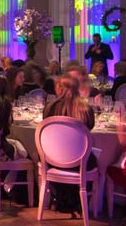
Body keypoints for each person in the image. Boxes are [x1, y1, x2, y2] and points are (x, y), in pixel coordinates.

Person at [43, 76, 95, 215]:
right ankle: (81, 202)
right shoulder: (85, 109)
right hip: (80, 162)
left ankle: (59, 199)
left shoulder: (50, 108)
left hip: (53, 160)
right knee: (97, 158)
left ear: (59, 88)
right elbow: (90, 129)